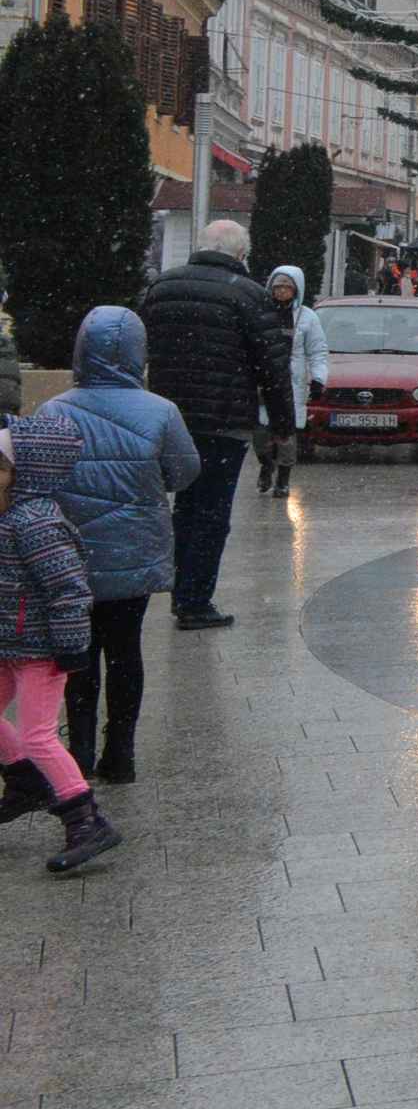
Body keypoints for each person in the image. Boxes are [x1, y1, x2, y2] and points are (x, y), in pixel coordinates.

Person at [44, 307, 200, 787]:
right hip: (132, 551)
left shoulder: (54, 410)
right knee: (126, 648)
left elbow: (38, 480)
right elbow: (184, 472)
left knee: (78, 653)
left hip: (70, 556)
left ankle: (80, 751)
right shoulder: (161, 411)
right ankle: (121, 751)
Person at [137, 218, 296, 632]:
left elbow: (140, 349)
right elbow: (272, 367)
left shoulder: (162, 287)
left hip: (169, 418)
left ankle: (178, 586)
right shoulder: (249, 295)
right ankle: (194, 599)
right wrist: (282, 425)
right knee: (211, 510)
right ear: (241, 254)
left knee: (184, 504)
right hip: (224, 420)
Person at [0, 412, 121, 871]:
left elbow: (68, 589)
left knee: (39, 736)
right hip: (8, 644)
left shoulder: (35, 523)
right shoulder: (9, 515)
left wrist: (70, 646)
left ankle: (85, 818)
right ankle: (24, 782)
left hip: (40, 651)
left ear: (26, 473)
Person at [253, 265, 329, 497]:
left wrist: (318, 379)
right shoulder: (260, 313)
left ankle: (284, 479)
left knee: (286, 434)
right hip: (263, 379)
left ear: (296, 289)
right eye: (278, 286)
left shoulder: (307, 317)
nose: (282, 291)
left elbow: (317, 351)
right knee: (261, 433)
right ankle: (266, 464)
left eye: (287, 286)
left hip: (291, 383)